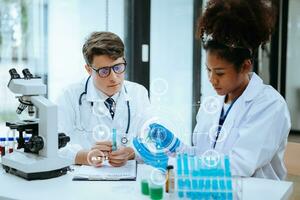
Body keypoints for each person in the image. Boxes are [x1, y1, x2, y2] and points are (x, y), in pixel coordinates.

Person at [135, 0, 291, 180]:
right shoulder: (215, 102)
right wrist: (174, 146)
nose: (212, 79)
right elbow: (205, 157)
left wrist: (171, 164)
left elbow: (238, 165)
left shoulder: (269, 105)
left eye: (220, 73)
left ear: (245, 66)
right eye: (208, 70)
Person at [57, 31, 151, 167]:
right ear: (89, 70)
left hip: (127, 181)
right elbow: (52, 145)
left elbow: (153, 142)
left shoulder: (138, 93)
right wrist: (85, 156)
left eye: (118, 67)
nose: (113, 77)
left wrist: (131, 152)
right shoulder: (69, 96)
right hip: (82, 183)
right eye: (104, 71)